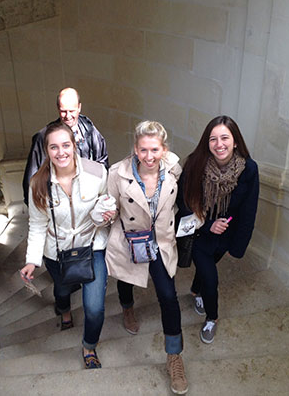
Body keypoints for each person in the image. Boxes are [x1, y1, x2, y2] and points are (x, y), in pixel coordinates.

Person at [19, 121, 115, 369]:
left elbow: (108, 205)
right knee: (62, 291)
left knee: (94, 308)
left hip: (91, 246)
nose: (60, 152)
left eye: (65, 145)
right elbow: (37, 225)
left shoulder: (97, 172)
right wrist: (32, 259)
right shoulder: (37, 184)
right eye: (53, 147)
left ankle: (89, 346)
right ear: (46, 150)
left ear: (75, 145)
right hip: (57, 252)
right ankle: (64, 310)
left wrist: (108, 214)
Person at [105, 121, 188, 394]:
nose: (149, 156)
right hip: (131, 240)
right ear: (135, 149)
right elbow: (110, 209)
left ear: (163, 149)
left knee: (168, 296)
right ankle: (127, 308)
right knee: (126, 280)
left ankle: (174, 357)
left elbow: (179, 202)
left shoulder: (174, 170)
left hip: (160, 243)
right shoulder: (117, 174)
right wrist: (104, 215)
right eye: (143, 150)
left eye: (154, 150)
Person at [177, 115, 259, 345]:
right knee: (211, 280)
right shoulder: (195, 163)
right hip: (200, 232)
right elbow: (183, 200)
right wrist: (206, 222)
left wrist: (238, 246)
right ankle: (212, 317)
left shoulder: (248, 169)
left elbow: (249, 209)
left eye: (225, 138)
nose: (219, 144)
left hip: (227, 234)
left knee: (207, 269)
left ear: (235, 141)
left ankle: (195, 290)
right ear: (207, 142)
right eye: (213, 139)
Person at [22, 87, 109, 205]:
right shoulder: (43, 137)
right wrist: (36, 206)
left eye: (72, 111)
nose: (68, 116)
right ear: (58, 108)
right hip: (58, 202)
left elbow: (102, 166)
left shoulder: (91, 132)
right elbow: (32, 178)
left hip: (87, 200)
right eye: (63, 111)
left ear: (79, 107)